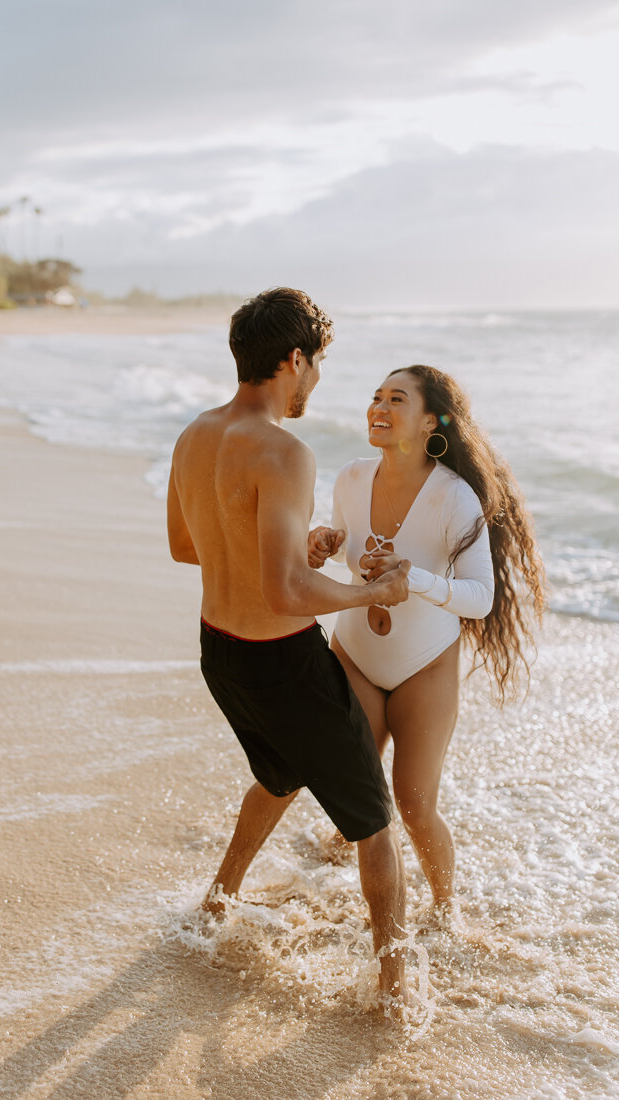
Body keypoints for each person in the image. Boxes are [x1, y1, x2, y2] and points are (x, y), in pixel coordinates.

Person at [167, 288, 412, 1001]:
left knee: (279, 773)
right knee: (372, 821)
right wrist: (372, 593)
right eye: (317, 365)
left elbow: (189, 547)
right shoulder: (282, 450)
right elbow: (287, 597)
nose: (317, 381)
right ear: (294, 359)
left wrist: (288, 552)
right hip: (282, 660)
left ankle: (217, 898)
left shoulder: (194, 435)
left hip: (221, 653)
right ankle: (396, 987)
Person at [310, 364, 545, 915]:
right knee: (355, 796)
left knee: (414, 805)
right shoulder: (350, 477)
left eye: (397, 400)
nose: (380, 408)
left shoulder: (454, 496)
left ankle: (446, 911)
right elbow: (348, 542)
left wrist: (410, 576)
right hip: (356, 655)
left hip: (424, 665)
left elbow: (479, 598)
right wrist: (324, 539)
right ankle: (334, 868)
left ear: (430, 421)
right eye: (376, 397)